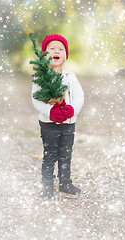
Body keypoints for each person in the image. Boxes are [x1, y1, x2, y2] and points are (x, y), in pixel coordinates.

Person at [31, 34, 84, 198]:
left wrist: (72, 109)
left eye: (61, 49)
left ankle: (65, 182)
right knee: (50, 153)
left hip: (68, 123)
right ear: (45, 55)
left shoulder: (70, 77)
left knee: (66, 152)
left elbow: (79, 96)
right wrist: (50, 111)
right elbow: (36, 99)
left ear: (65, 55)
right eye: (52, 48)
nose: (56, 51)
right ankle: (47, 184)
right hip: (49, 124)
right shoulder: (41, 77)